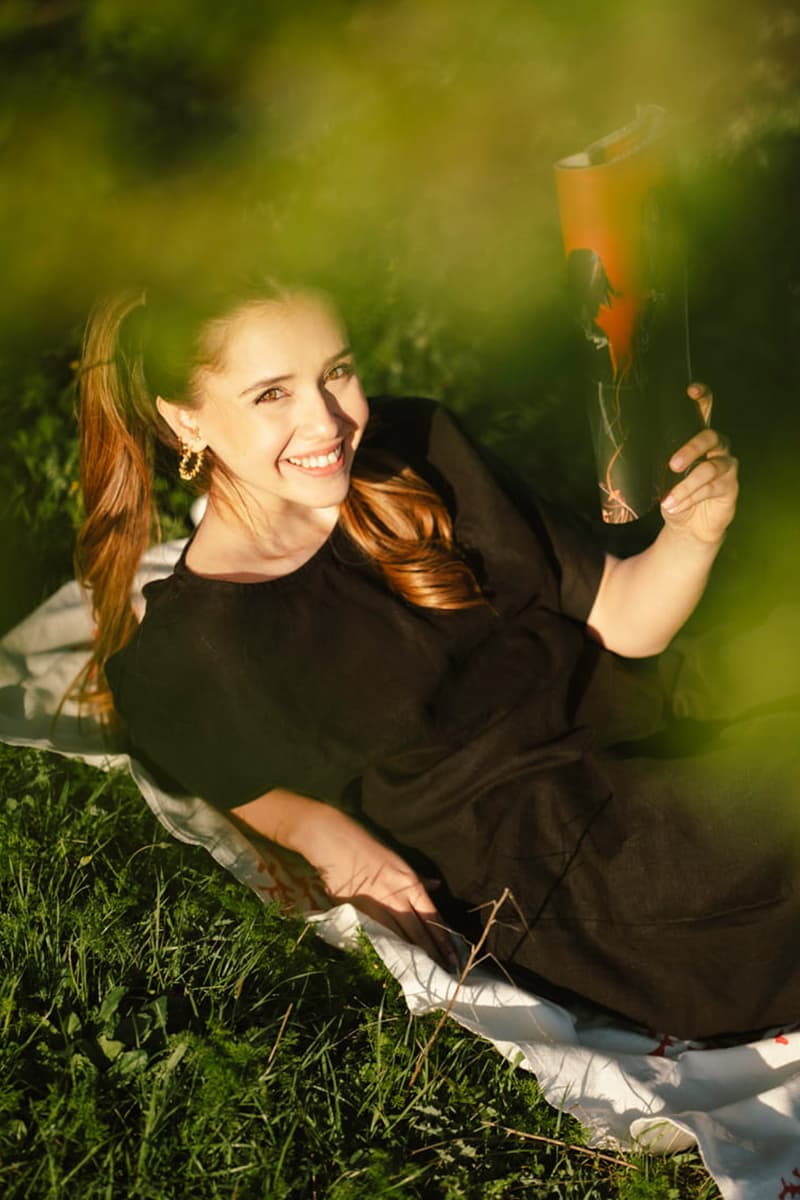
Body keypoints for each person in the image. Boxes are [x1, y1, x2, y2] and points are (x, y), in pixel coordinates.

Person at [74, 282, 799, 1041]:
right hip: (569, 852)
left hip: (648, 709)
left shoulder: (419, 449)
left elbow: (619, 615)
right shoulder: (205, 642)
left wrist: (695, 532)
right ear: (185, 419)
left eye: (337, 371)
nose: (326, 421)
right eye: (272, 394)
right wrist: (313, 828)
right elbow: (209, 766)